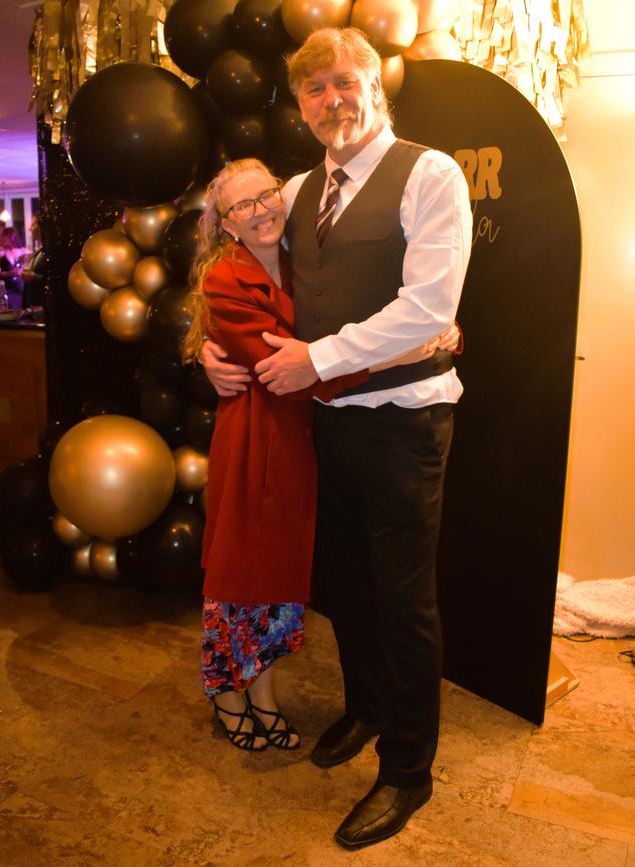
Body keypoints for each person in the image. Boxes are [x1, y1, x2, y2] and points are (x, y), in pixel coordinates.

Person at [202, 27, 472, 850]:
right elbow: (242, 263)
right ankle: (363, 709)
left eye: (344, 82)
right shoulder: (295, 187)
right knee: (348, 584)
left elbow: (426, 308)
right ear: (301, 104)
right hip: (326, 425)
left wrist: (317, 357)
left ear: (376, 86)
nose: (331, 100)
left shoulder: (430, 174)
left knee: (403, 599)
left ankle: (407, 771)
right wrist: (208, 350)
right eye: (314, 89)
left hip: (406, 423)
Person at [0, 226, 29, 310]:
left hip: (21, 288)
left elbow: (27, 268)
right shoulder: (0, 252)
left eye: (5, 237)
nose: (2, 240)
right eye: (2, 238)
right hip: (8, 289)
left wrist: (21, 269)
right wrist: (9, 273)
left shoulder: (23, 251)